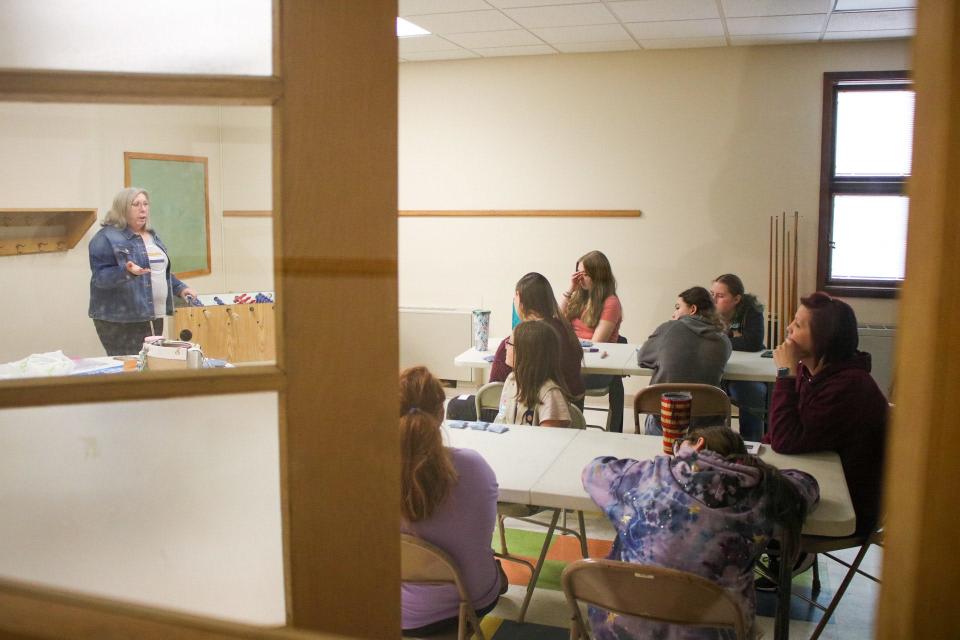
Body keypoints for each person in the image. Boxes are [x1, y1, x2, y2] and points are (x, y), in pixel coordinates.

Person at [582, 426, 820, 640]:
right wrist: (759, 471)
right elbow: (806, 483)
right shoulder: (765, 493)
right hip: (716, 632)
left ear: (699, 444)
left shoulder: (648, 475)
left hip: (622, 628)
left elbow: (594, 469)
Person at [765, 292, 887, 536]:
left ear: (824, 339)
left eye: (798, 325)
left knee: (744, 510)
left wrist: (784, 374)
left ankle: (781, 561)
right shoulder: (809, 370)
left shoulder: (850, 385)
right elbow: (784, 435)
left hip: (847, 503)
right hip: (816, 474)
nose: (788, 329)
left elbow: (785, 440)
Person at [399, 366, 505, 636]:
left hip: (393, 608)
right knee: (490, 562)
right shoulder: (473, 467)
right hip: (469, 600)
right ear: (442, 413)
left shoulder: (364, 476)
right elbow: (482, 529)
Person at [88, 187, 197, 356]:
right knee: (133, 371)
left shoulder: (152, 236)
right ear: (122, 209)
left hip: (153, 315)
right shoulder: (105, 237)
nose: (143, 209)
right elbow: (100, 279)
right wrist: (127, 272)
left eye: (146, 204)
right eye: (136, 204)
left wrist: (180, 288)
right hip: (121, 320)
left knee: (151, 365)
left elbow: (159, 271)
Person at [637, 286, 732, 435]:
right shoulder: (723, 340)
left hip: (667, 421)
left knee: (652, 416)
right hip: (708, 426)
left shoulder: (668, 328)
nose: (674, 313)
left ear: (692, 309)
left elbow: (642, 358)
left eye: (678, 307)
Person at [489, 272, 584, 404]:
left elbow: (494, 394)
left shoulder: (516, 340)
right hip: (573, 411)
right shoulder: (565, 329)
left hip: (535, 415)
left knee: (456, 405)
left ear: (518, 296)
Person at [561, 250, 624, 431]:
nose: (580, 279)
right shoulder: (578, 297)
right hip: (575, 360)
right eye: (578, 274)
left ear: (598, 276)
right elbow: (556, 323)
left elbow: (597, 342)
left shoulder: (611, 302)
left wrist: (570, 339)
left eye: (585, 275)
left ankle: (572, 426)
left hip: (597, 367)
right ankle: (555, 422)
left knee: (566, 376)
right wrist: (569, 290)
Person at [711, 273, 767, 441]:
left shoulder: (752, 311)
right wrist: (734, 339)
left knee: (753, 392)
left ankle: (752, 441)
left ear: (736, 299)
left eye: (720, 296)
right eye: (712, 294)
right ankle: (715, 440)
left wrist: (720, 340)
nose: (714, 300)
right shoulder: (705, 312)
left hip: (744, 372)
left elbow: (752, 343)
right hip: (716, 370)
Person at [493, 320, 572, 427]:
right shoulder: (511, 380)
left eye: (509, 343)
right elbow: (501, 417)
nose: (506, 347)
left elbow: (550, 441)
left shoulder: (550, 394)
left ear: (525, 353)